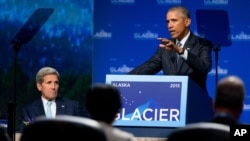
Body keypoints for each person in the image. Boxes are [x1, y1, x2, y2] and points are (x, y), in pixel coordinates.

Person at [128, 6, 213, 93]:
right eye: (167, 21)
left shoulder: (202, 44)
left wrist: (180, 51)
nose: (169, 26)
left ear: (187, 22)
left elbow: (204, 67)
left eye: (174, 20)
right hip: (171, 99)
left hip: (195, 99)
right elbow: (148, 67)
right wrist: (123, 80)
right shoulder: (166, 47)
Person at [17, 66, 88, 132]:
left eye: (56, 83)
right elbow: (22, 134)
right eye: (49, 83)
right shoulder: (29, 111)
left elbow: (88, 129)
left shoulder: (73, 107)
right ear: (39, 86)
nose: (53, 87)